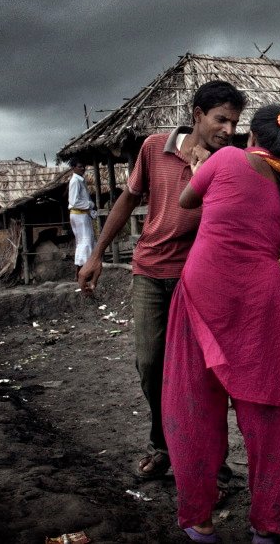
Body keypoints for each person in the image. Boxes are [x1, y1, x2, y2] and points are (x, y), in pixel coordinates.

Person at [162, 105, 280, 544]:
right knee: (266, 413)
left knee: (193, 405)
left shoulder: (228, 158)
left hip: (205, 290)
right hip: (261, 299)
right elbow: (278, 244)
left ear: (252, 137)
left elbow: (186, 201)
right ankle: (267, 526)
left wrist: (202, 169)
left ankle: (200, 521)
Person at [78, 80, 246, 482]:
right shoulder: (155, 147)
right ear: (198, 115)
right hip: (151, 272)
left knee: (204, 373)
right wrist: (97, 253)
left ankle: (212, 458)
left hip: (198, 278)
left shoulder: (228, 162)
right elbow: (128, 199)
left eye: (234, 123)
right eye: (221, 120)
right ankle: (164, 445)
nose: (229, 130)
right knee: (151, 364)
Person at [67, 158, 96, 280]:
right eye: (79, 166)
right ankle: (84, 272)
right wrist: (89, 204)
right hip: (79, 215)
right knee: (85, 242)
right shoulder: (75, 181)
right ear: (73, 168)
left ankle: (80, 272)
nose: (82, 168)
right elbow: (74, 201)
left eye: (83, 166)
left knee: (82, 242)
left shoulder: (80, 180)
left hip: (81, 214)